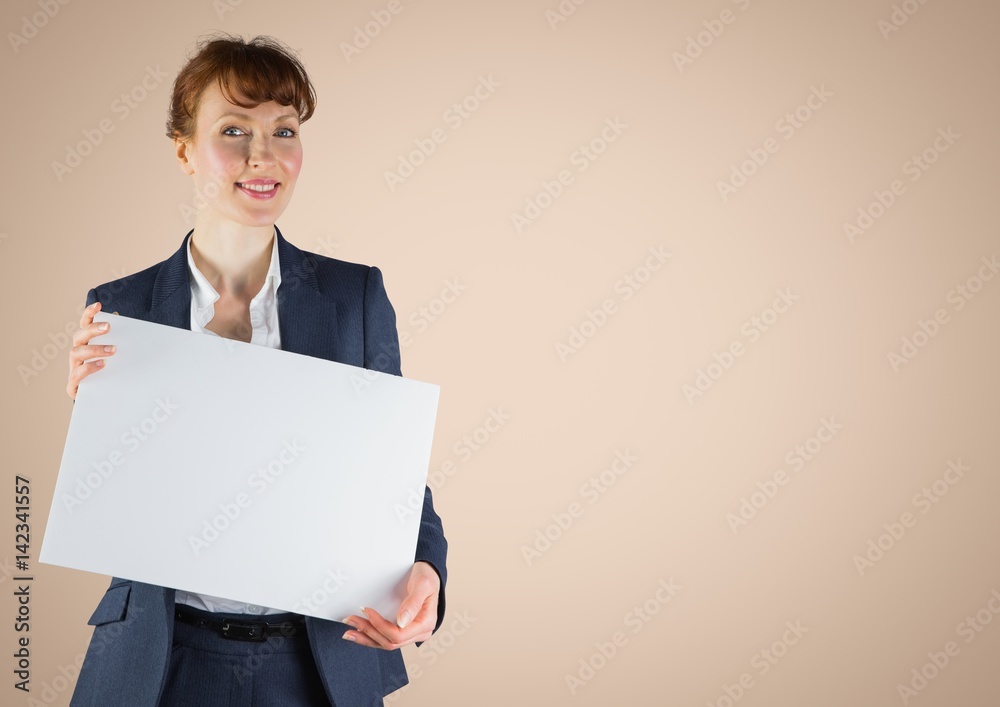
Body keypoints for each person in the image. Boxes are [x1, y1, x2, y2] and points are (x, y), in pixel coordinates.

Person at [63, 33, 448, 706]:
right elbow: (126, 500)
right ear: (183, 149)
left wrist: (428, 572)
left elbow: (394, 475)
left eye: (284, 130)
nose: (262, 156)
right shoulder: (121, 307)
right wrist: (91, 417)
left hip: (317, 660)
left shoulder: (356, 298)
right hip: (162, 661)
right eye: (233, 129)